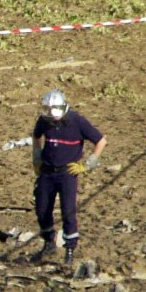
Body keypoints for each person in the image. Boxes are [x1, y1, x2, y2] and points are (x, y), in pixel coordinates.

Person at [30, 89, 106, 266]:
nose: (52, 118)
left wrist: (87, 165)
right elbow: (36, 136)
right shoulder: (44, 120)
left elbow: (101, 141)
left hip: (67, 174)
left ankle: (70, 249)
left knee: (68, 212)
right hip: (47, 172)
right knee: (42, 209)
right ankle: (49, 242)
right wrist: (36, 158)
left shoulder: (77, 121)